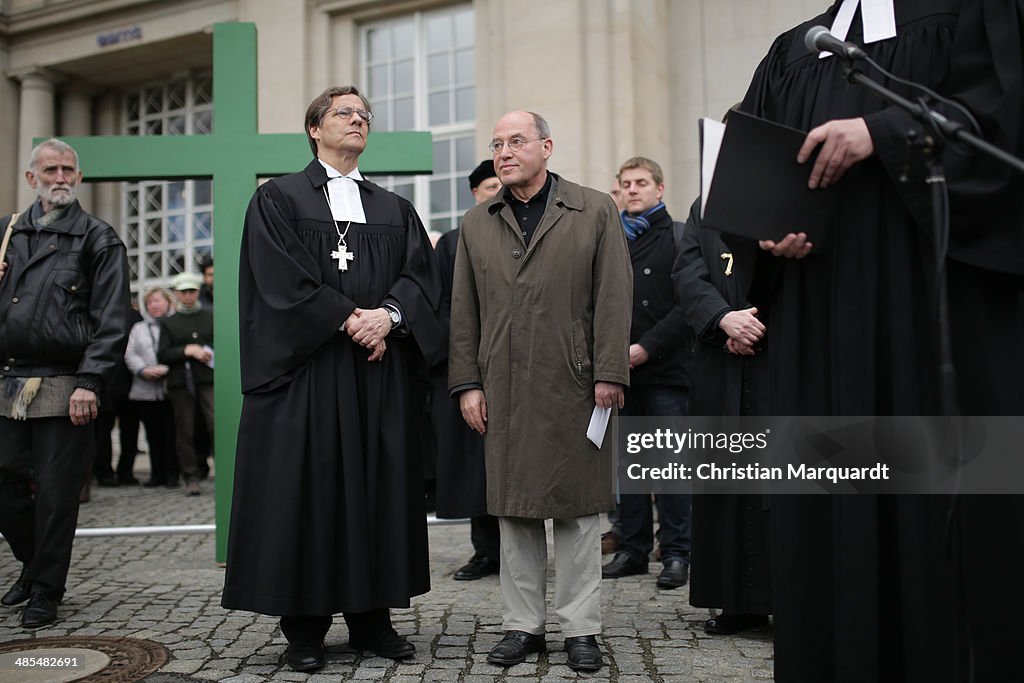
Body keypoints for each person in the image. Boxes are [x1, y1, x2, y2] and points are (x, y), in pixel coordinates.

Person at [731, 2, 1024, 680]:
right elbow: (748, 167)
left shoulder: (975, 11)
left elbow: (1004, 128)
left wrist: (885, 131)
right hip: (818, 323)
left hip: (929, 310)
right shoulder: (792, 51)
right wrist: (763, 231)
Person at [222, 85, 444, 673]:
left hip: (377, 379)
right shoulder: (278, 199)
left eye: (365, 115)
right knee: (309, 493)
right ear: (314, 128)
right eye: (344, 113)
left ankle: (373, 619)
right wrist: (348, 318)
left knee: (377, 490)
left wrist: (387, 317)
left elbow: (422, 277)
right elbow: (278, 280)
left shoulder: (395, 208)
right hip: (309, 379)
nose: (357, 120)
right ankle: (305, 629)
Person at [449, 110, 632, 672]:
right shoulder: (477, 222)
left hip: (575, 382)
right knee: (515, 510)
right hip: (501, 385)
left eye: (517, 141)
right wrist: (467, 384)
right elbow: (464, 311)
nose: (504, 151)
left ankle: (581, 629)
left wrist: (608, 372)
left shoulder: (593, 208)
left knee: (579, 513)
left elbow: (613, 297)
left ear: (547, 147)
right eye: (497, 143)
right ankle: (521, 625)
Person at [0, 138, 130, 628]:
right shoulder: (5, 234)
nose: (60, 177)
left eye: (68, 170)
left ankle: (45, 591)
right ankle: (36, 567)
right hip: (8, 378)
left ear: (78, 178)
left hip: (66, 382)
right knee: (5, 486)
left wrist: (91, 381)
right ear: (31, 178)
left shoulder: (98, 238)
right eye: (50, 169)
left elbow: (112, 318)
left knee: (56, 495)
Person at [673, 196, 771, 635]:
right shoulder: (704, 206)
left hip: (779, 360)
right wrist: (723, 320)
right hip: (721, 360)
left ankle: (790, 598)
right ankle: (738, 600)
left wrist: (755, 324)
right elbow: (688, 273)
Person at [600, 157, 693, 590]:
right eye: (626, 183)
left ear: (660, 188)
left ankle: (677, 553)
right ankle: (633, 550)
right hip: (621, 369)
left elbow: (687, 304)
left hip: (666, 369)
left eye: (641, 183)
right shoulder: (612, 237)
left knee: (671, 469)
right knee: (629, 467)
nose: (633, 190)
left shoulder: (677, 237)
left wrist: (646, 347)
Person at [432, 160, 502, 582]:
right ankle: (486, 551)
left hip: (514, 365)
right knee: (475, 465)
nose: (497, 191)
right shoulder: (454, 242)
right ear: (475, 193)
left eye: (501, 184)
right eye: (488, 186)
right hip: (468, 367)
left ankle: (520, 550)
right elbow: (443, 304)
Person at [157, 271, 214, 496]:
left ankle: (227, 470)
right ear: (176, 294)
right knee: (185, 430)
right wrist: (186, 350)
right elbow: (162, 354)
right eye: (183, 292)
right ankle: (190, 475)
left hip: (209, 378)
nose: (188, 296)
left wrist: (205, 351)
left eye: (192, 291)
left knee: (216, 424)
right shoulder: (169, 323)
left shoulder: (210, 316)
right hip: (181, 382)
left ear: (198, 292)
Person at [124, 287, 179, 488]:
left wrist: (166, 367)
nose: (154, 305)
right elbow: (130, 353)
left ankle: (173, 473)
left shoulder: (176, 324)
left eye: (157, 301)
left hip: (171, 389)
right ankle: (157, 474)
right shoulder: (138, 328)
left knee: (172, 433)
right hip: (145, 390)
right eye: (150, 302)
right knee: (152, 434)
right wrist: (143, 370)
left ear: (168, 302)